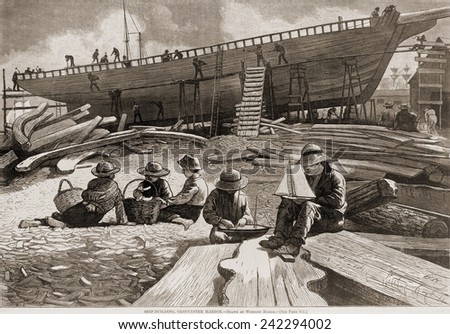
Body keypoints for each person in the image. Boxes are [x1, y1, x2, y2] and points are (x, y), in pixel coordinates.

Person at [259, 144, 347, 257]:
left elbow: (338, 201)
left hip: (332, 218)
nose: (306, 169)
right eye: (304, 167)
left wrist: (313, 199)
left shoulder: (335, 177)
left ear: (321, 164)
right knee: (288, 203)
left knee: (309, 205)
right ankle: (279, 237)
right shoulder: (305, 176)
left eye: (309, 166)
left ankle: (294, 245)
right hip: (309, 216)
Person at [29, 161, 128, 228]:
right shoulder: (116, 190)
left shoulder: (93, 183)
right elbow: (120, 206)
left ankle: (40, 222)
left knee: (68, 215)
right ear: (112, 175)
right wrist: (122, 221)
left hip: (82, 208)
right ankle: (57, 223)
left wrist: (91, 201)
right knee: (74, 220)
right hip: (95, 216)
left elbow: (84, 195)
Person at [158, 155, 208, 230]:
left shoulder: (195, 183)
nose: (183, 172)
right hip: (191, 208)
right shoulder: (194, 180)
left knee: (160, 213)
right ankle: (179, 218)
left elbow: (183, 198)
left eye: (184, 169)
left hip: (191, 210)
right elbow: (181, 195)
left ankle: (182, 220)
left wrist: (167, 202)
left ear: (190, 169)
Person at [204, 168, 254, 244]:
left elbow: (248, 216)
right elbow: (207, 213)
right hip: (219, 231)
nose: (231, 190)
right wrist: (221, 220)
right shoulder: (215, 194)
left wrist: (244, 219)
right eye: (228, 187)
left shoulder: (242, 196)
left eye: (234, 187)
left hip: (239, 233)